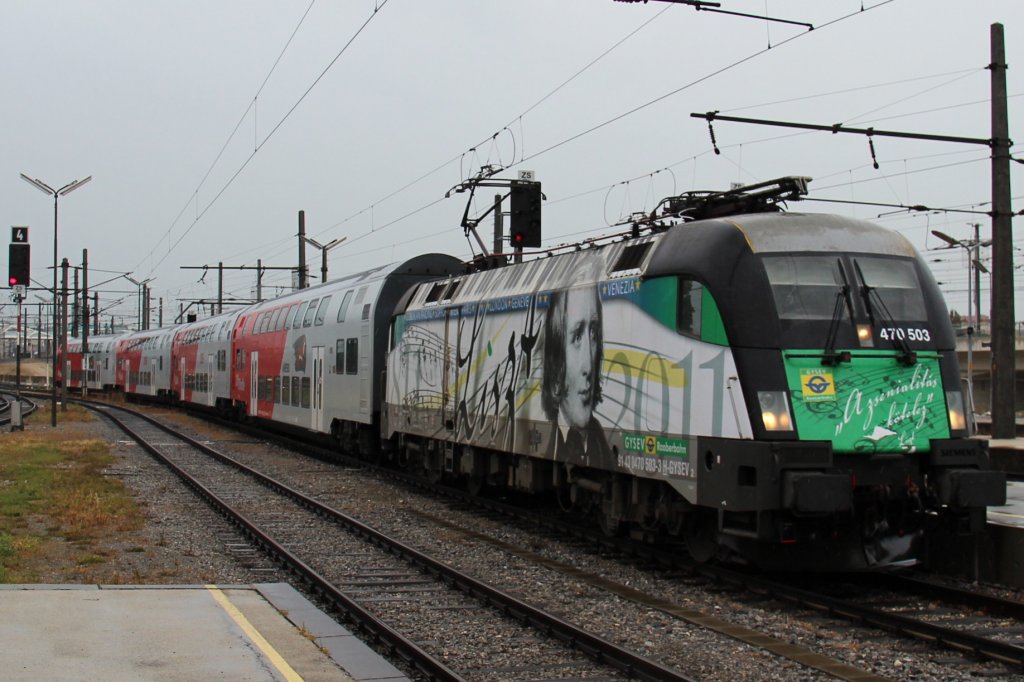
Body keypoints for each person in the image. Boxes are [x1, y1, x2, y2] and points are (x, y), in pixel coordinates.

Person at [542, 281, 610, 466]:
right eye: (577, 337)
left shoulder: (611, 459)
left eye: (594, 334)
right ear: (555, 363)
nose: (588, 365)